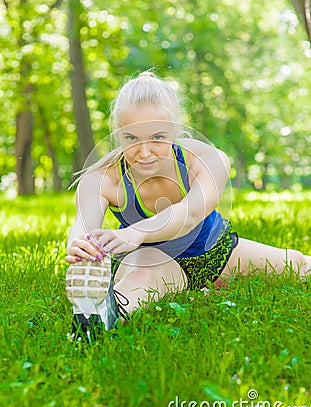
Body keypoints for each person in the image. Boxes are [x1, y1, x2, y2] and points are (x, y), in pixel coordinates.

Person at [65, 71, 310, 339]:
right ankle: (100, 318)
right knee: (140, 281)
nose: (144, 152)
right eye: (131, 138)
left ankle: (202, 287)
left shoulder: (206, 159)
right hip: (154, 260)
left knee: (296, 266)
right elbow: (83, 225)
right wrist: (79, 243)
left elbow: (190, 214)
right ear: (118, 134)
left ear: (176, 130)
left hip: (215, 253)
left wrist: (135, 232)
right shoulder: (102, 179)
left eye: (157, 137)